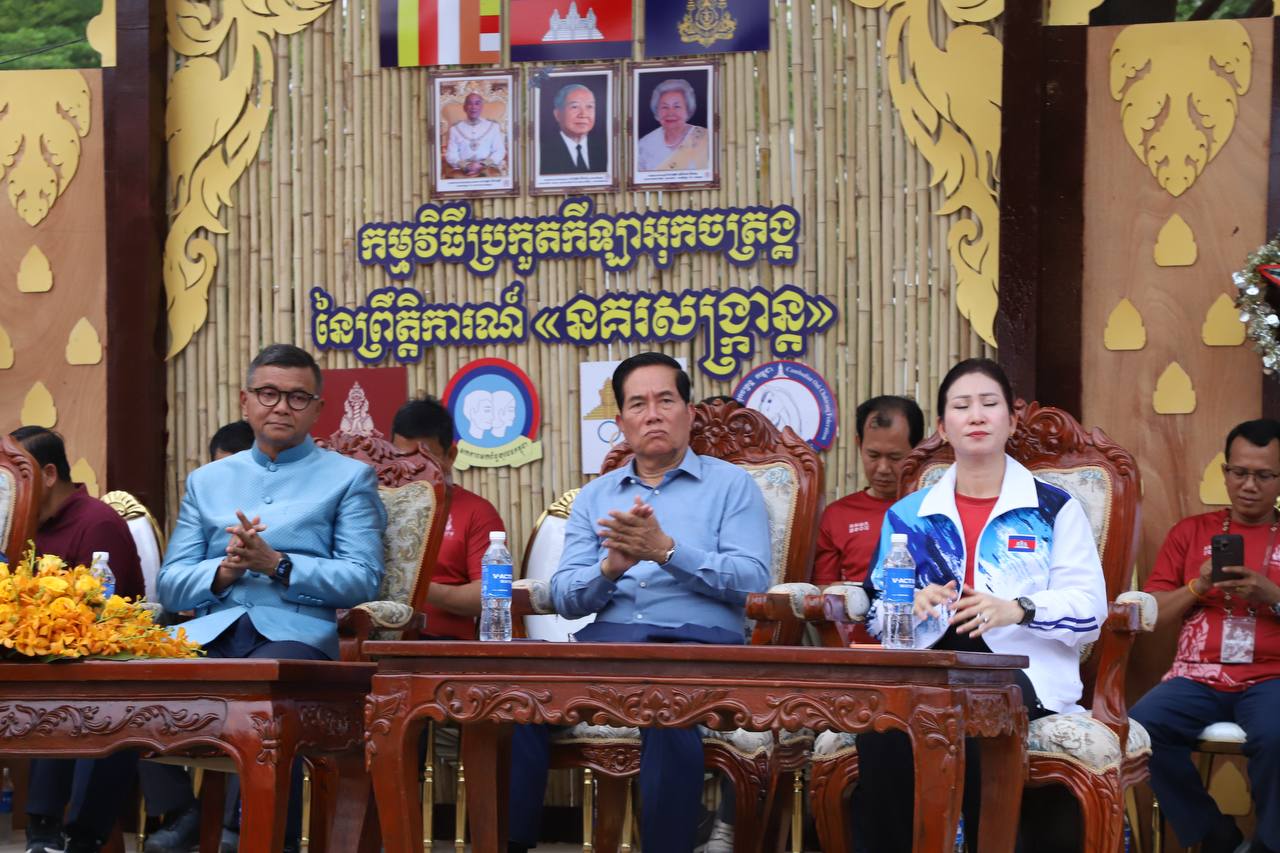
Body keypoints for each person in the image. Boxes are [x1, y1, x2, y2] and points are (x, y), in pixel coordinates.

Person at [508, 352, 771, 852]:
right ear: (621, 422)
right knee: (516, 697)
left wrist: (667, 552)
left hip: (698, 649)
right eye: (638, 404)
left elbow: (753, 580)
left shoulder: (732, 486)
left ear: (689, 413)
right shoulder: (594, 497)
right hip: (608, 648)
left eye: (665, 400)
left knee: (663, 706)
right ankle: (510, 842)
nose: (653, 414)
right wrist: (610, 569)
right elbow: (564, 596)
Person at [856, 358, 1106, 852]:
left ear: (1011, 421)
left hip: (1019, 669)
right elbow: (877, 612)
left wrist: (1020, 608)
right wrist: (910, 602)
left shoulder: (1052, 508)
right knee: (881, 727)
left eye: (989, 404)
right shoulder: (909, 515)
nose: (976, 415)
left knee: (965, 711)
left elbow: (1090, 609)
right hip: (929, 664)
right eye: (961, 406)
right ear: (943, 426)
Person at [158, 343, 386, 853]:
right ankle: (163, 820)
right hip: (209, 632)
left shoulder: (349, 478)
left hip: (295, 635)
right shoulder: (207, 481)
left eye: (297, 397)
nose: (281, 406)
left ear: (317, 408)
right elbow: (170, 583)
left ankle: (252, 838)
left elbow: (363, 577)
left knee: (261, 696)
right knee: (130, 679)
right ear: (246, 402)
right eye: (268, 393)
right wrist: (223, 570)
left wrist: (278, 565)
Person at [1131, 418, 1280, 853]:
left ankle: (1268, 846)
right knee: (1141, 728)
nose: (1248, 485)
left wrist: (1272, 595)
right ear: (1225, 471)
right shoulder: (1190, 532)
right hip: (1196, 677)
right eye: (1239, 472)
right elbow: (1152, 615)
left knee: (1278, 736)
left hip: (1271, 678)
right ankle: (1217, 837)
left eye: (1263, 475)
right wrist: (1199, 586)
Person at [11, 427, 145, 853]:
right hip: (27, 661)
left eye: (18, 476)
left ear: (48, 475)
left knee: (70, 691)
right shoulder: (19, 525)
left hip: (100, 663)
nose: (9, 489)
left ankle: (64, 834)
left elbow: (107, 618)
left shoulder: (97, 523)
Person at [138, 419, 259, 853]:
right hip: (206, 623)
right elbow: (175, 579)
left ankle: (236, 826)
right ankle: (180, 811)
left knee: (257, 691)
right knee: (136, 669)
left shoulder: (290, 508)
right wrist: (214, 576)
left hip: (268, 629)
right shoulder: (205, 504)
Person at [390, 395, 506, 640]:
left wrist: (414, 587)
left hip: (442, 646)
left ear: (450, 455)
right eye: (402, 458)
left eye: (424, 460)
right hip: (374, 640)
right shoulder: (374, 504)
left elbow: (491, 596)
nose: (412, 469)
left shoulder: (477, 512)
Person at [814, 395, 925, 586]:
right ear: (859, 444)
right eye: (873, 455)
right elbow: (823, 590)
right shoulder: (837, 515)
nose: (883, 468)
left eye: (895, 457)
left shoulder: (933, 512)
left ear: (919, 449)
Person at [636, 78, 710, 173]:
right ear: (657, 112)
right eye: (665, 107)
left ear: (688, 110)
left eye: (677, 106)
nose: (670, 113)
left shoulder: (706, 139)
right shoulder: (644, 145)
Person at [540, 83, 606, 175]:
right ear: (557, 114)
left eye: (589, 106)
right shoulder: (542, 152)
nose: (583, 114)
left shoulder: (605, 148)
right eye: (575, 107)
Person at [444, 91, 506, 177]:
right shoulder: (455, 129)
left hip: (487, 167)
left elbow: (499, 151)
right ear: (464, 107)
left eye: (477, 103)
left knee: (492, 175)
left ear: (481, 107)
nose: (473, 107)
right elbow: (451, 154)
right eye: (470, 104)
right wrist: (465, 166)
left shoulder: (493, 126)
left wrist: (482, 165)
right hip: (463, 169)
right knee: (454, 177)